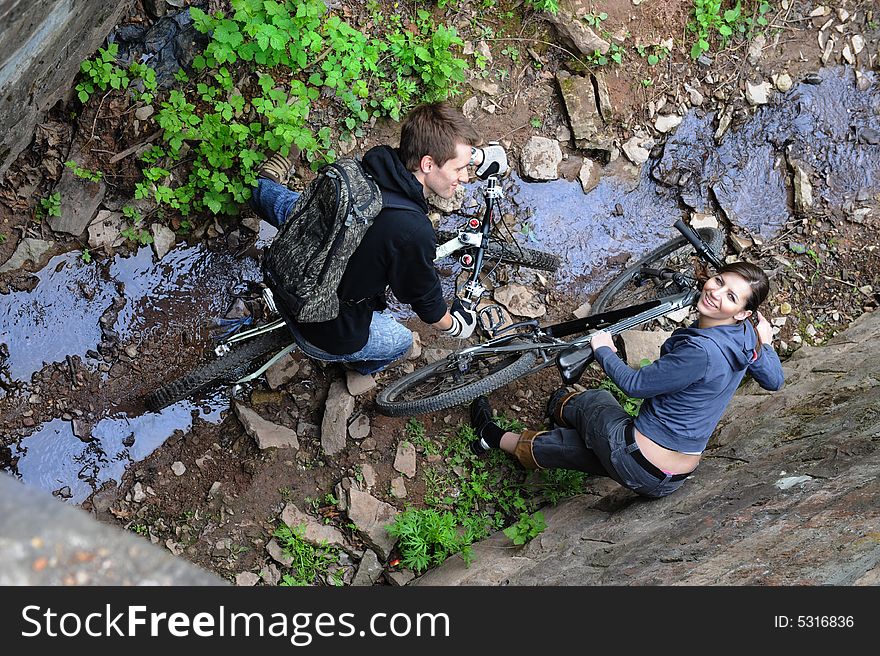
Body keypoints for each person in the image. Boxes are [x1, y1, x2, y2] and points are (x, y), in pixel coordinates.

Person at [469, 261, 785, 499]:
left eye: (730, 296)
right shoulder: (747, 337)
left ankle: (558, 408)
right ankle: (495, 437)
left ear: (743, 312)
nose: (714, 292)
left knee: (597, 401)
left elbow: (634, 385)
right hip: (668, 478)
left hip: (636, 456)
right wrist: (765, 341)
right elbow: (774, 380)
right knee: (577, 448)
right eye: (718, 281)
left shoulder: (701, 352)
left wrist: (604, 349)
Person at [248, 102, 507, 375]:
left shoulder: (374, 164)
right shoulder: (412, 232)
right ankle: (357, 367)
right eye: (460, 169)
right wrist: (456, 325)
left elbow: (437, 151)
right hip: (321, 325)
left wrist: (475, 155)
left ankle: (259, 187)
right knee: (401, 342)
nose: (465, 177)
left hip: (290, 266)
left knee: (300, 208)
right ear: (428, 163)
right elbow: (427, 301)